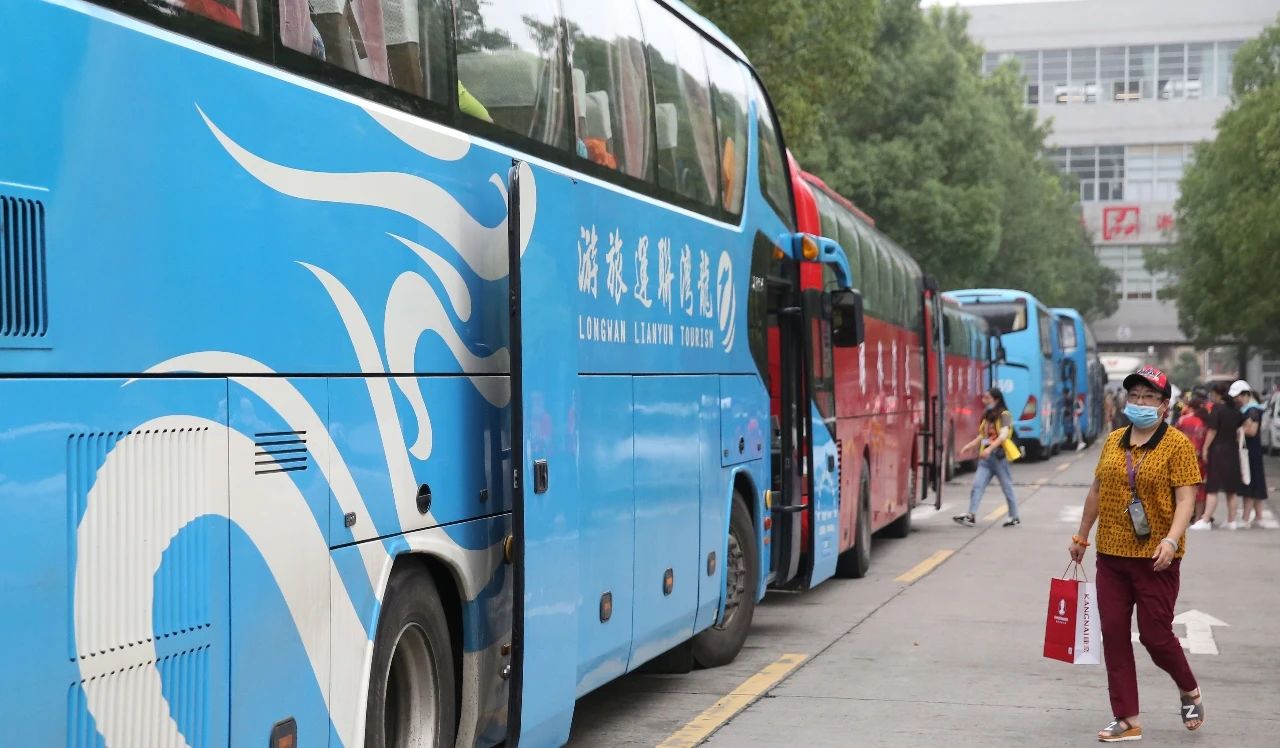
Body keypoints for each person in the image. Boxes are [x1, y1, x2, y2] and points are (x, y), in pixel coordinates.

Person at [1069, 365, 1203, 742]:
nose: (1140, 402)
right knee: (1113, 633)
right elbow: (1097, 490)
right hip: (1111, 555)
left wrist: (1171, 540)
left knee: (1155, 636)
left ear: (1164, 405)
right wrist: (1082, 536)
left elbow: (1186, 499)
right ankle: (1127, 717)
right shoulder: (1114, 441)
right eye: (1135, 396)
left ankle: (1189, 689)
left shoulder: (1177, 445)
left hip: (1157, 559)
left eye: (1149, 397)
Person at [952, 387, 1021, 528]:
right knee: (977, 486)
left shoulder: (1006, 415)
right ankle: (971, 515)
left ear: (996, 399)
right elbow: (983, 435)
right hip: (986, 460)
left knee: (1007, 487)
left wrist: (990, 449)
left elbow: (1003, 436)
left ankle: (1014, 517)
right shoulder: (987, 414)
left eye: (987, 398)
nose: (984, 400)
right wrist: (970, 445)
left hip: (999, 458)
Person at [1191, 381, 1245, 530]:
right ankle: (1231, 521)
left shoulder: (1217, 408)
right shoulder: (1235, 410)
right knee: (1231, 489)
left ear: (1215, 394)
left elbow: (1212, 430)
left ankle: (1205, 519)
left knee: (1213, 487)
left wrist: (1205, 448)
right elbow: (1240, 429)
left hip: (1218, 450)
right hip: (1232, 450)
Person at [1232, 380, 1268, 527]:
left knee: (1249, 483)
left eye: (1238, 397)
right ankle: (1259, 517)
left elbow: (1252, 431)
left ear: (1246, 394)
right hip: (1253, 451)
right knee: (1256, 482)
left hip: (1250, 452)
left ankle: (1246, 518)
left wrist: (1239, 430)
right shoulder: (1252, 408)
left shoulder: (1252, 410)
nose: (1237, 400)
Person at [1175, 388, 1210, 522]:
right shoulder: (1205, 421)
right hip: (1200, 459)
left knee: (1183, 488)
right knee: (1200, 489)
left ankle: (1184, 516)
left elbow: (1175, 436)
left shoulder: (1183, 420)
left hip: (1183, 458)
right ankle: (1198, 517)